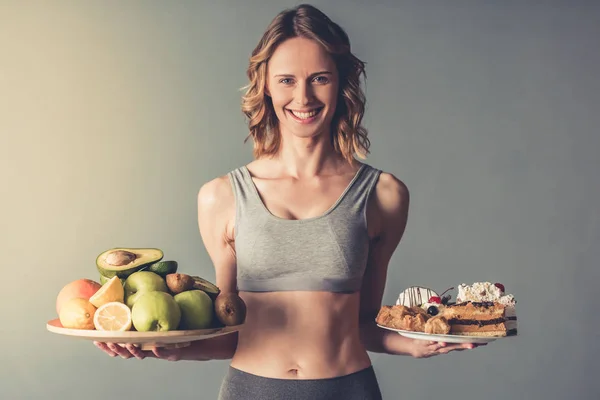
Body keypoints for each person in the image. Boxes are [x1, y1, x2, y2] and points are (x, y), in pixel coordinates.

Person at [94, 4, 482, 399]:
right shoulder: (221, 197)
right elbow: (230, 332)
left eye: (319, 79)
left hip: (348, 389)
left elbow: (364, 324)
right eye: (286, 80)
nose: (303, 97)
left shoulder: (383, 195)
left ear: (341, 83)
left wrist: (413, 343)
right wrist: (167, 350)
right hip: (251, 389)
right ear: (265, 85)